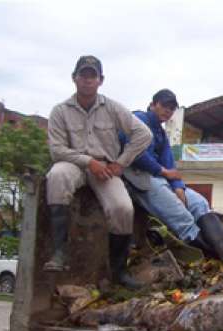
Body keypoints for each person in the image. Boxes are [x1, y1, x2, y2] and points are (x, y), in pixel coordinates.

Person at [44, 55, 152, 290]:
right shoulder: (60, 111)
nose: (87, 80)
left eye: (92, 75)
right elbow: (57, 150)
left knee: (123, 208)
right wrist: (87, 161)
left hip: (106, 169)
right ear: (74, 78)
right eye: (83, 74)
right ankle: (59, 252)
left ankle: (119, 272)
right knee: (57, 175)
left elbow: (143, 134)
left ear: (100, 80)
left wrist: (121, 163)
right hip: (73, 163)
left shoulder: (112, 107)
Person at [120, 89, 223, 261]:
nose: (168, 111)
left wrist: (178, 187)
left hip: (160, 177)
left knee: (199, 203)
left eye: (171, 108)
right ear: (153, 104)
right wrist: (164, 173)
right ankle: (212, 256)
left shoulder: (161, 133)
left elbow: (169, 162)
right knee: (181, 215)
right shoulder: (138, 119)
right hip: (138, 176)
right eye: (164, 106)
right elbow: (136, 153)